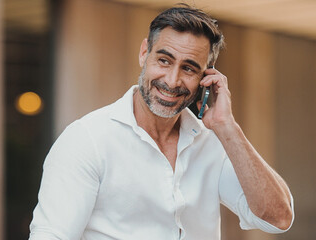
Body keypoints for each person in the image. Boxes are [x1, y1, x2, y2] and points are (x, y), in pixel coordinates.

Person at [28, 4, 294, 240]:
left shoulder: (213, 143)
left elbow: (278, 219)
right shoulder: (87, 140)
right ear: (145, 53)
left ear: (207, 77)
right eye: (164, 60)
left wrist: (227, 127)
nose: (172, 80)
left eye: (188, 68)